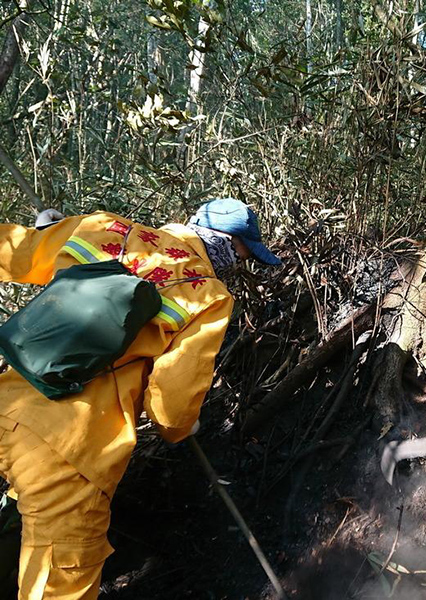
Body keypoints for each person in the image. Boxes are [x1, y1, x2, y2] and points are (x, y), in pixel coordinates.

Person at [0, 197, 280, 599]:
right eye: (242, 253)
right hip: (70, 448)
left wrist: (54, 233)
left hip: (9, 398)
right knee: (61, 579)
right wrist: (180, 428)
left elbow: (14, 250)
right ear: (227, 243)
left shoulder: (105, 227)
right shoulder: (208, 295)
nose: (240, 263)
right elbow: (173, 403)